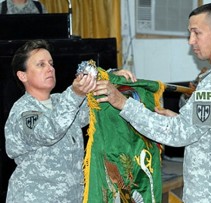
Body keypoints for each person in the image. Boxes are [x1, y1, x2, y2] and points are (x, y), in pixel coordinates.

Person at [94, 3, 211, 203]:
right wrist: (180, 118)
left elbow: (178, 133)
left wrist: (124, 103)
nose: (191, 41)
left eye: (196, 33)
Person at [4, 39, 136, 202]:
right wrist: (75, 94)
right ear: (22, 75)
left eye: (51, 63)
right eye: (41, 65)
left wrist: (111, 79)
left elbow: (92, 106)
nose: (50, 69)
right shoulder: (23, 112)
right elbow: (50, 131)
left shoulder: (60, 101)